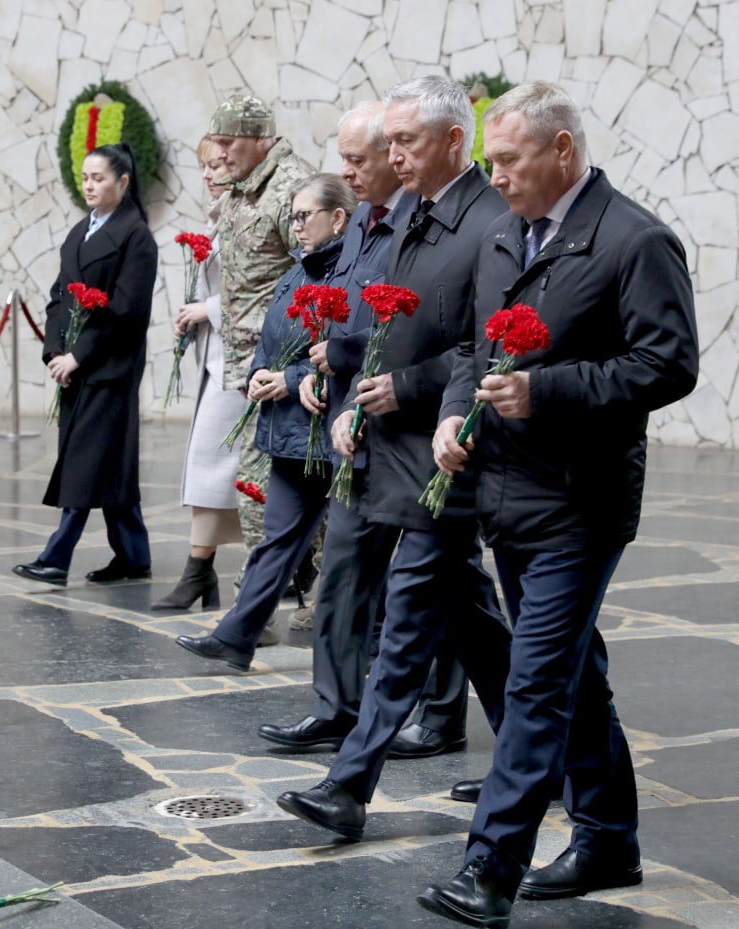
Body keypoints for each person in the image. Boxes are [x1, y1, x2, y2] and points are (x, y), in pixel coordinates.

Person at [418, 81, 698, 929]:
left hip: (582, 501)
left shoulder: (637, 238)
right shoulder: (503, 236)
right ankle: (609, 838)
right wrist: (450, 417)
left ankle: (490, 867)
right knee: (574, 671)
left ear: (562, 152)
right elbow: (475, 344)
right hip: (504, 493)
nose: (492, 176)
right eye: (488, 160)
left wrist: (550, 390)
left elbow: (668, 364)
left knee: (536, 680)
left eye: (507, 160)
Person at [275, 75, 513, 838]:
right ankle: (545, 756)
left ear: (452, 141)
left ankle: (349, 784)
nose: (391, 155)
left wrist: (404, 388)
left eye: (404, 142)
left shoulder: (491, 223)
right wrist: (350, 401)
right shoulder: (407, 208)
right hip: (388, 441)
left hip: (446, 449)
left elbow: (487, 348)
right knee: (470, 618)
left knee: (410, 612)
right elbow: (388, 320)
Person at [256, 101, 404, 749]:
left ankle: (447, 712)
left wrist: (339, 361)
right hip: (350, 415)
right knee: (341, 571)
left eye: (357, 159)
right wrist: (315, 373)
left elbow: (421, 322)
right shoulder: (366, 224)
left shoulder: (422, 224)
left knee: (451, 585)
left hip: (411, 421)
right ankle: (335, 705)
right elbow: (343, 316)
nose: (346, 170)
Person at [175, 174, 354, 671]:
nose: (294, 225)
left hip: (326, 426)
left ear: (337, 218)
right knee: (278, 537)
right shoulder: (298, 272)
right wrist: (258, 375)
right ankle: (237, 635)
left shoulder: (347, 274)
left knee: (343, 550)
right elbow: (273, 341)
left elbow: (347, 347)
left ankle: (361, 654)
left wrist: (290, 376)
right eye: (292, 215)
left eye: (303, 216)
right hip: (290, 428)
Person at [12, 143, 157, 586]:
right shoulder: (82, 231)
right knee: (108, 465)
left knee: (85, 462)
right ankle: (134, 557)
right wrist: (57, 351)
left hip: (109, 368)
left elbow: (127, 312)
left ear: (123, 183)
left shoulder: (136, 237)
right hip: (73, 367)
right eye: (86, 177)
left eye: (99, 178)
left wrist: (80, 354)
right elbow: (60, 295)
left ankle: (57, 557)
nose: (89, 185)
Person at [207, 94, 316, 584]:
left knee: (269, 480)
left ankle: (259, 605)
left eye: (229, 143)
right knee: (277, 482)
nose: (222, 154)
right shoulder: (240, 190)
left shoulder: (293, 191)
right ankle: (306, 588)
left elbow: (318, 280)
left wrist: (301, 370)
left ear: (259, 138)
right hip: (249, 369)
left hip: (284, 371)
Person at [153, 137, 246, 610]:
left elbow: (257, 288)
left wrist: (204, 309)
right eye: (205, 167)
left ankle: (199, 572)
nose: (209, 174)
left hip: (241, 361)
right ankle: (200, 570)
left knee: (214, 465)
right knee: (210, 467)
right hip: (215, 358)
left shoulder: (247, 215)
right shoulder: (218, 215)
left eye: (217, 166)